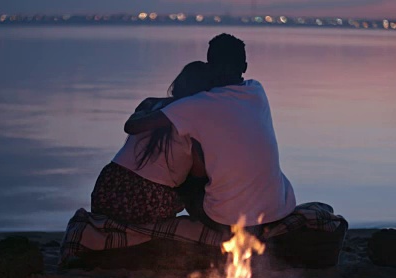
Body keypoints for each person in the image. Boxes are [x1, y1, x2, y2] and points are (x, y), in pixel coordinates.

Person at [124, 33, 296, 234]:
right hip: (277, 210)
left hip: (226, 219)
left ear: (209, 66)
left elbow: (133, 127)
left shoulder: (197, 104)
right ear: (245, 67)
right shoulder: (257, 90)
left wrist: (169, 105)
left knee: (188, 174)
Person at [90, 61, 211, 224]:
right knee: (195, 184)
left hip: (108, 187)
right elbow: (198, 173)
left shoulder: (150, 104)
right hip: (147, 199)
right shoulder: (195, 122)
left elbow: (132, 126)